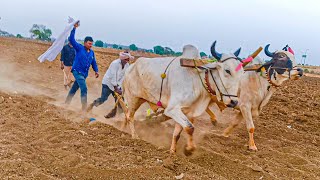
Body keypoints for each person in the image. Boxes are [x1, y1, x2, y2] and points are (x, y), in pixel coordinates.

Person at [87, 51, 134, 117]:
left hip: (117, 85)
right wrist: (116, 88)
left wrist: (119, 87)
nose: (127, 61)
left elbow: (123, 77)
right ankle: (92, 105)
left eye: (128, 60)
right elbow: (113, 76)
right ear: (122, 59)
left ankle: (118, 116)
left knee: (120, 101)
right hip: (107, 83)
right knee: (103, 99)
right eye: (126, 59)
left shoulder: (127, 66)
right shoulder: (115, 64)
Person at [65, 22, 99, 112]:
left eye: (91, 44)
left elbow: (94, 62)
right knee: (84, 89)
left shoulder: (92, 53)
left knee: (74, 89)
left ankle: (66, 103)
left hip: (84, 74)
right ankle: (84, 109)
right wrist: (74, 28)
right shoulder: (79, 48)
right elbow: (71, 39)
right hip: (77, 71)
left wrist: (96, 71)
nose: (90, 45)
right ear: (84, 43)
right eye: (89, 43)